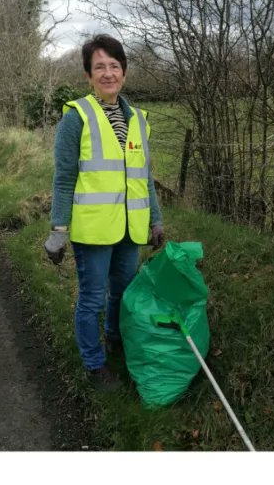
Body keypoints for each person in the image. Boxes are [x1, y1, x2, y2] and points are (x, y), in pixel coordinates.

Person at [43, 34, 165, 391]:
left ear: (124, 72)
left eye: (114, 66)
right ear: (88, 75)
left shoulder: (139, 120)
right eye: (100, 67)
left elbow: (145, 177)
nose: (108, 73)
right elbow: (64, 179)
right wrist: (58, 230)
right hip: (93, 231)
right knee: (93, 298)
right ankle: (94, 365)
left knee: (123, 292)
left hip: (130, 228)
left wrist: (155, 219)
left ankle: (115, 339)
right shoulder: (76, 117)